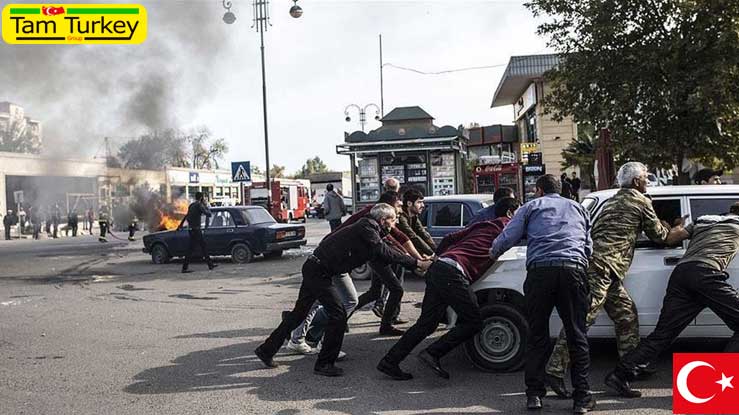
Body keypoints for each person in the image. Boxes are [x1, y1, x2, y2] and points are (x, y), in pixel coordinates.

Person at [544, 162, 689, 398]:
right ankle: (554, 370)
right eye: (645, 178)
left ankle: (629, 369)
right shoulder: (640, 201)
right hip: (602, 269)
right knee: (582, 321)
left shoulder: (612, 201)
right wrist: (682, 230)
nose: (648, 182)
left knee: (627, 315)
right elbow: (662, 237)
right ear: (635, 182)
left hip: (603, 268)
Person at [255, 204, 432, 376]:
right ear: (384, 219)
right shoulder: (367, 227)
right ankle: (325, 363)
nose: (394, 225)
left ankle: (266, 350)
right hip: (319, 272)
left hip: (317, 269)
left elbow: (389, 250)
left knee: (299, 314)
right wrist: (417, 263)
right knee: (338, 314)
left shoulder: (372, 229)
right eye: (393, 221)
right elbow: (383, 250)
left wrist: (414, 262)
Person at [605, 202, 739, 398]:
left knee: (663, 334)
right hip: (706, 275)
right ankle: (722, 384)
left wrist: (678, 224)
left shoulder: (702, 221)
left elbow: (671, 239)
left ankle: (620, 374)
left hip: (682, 274)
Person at [378, 197, 520, 381]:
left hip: (441, 267)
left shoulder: (485, 224)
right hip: (454, 273)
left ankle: (389, 361)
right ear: (510, 213)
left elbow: (449, 238)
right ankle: (433, 353)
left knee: (427, 323)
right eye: (519, 213)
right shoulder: (510, 226)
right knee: (473, 321)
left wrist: (435, 259)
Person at [489, 174, 595, 413]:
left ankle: (534, 395)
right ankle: (582, 398)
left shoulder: (531, 207)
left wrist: (492, 252)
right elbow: (588, 247)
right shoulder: (579, 208)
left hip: (540, 273)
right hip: (573, 271)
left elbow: (508, 237)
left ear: (538, 190)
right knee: (577, 335)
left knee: (537, 335)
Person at [178, 192, 216, 273]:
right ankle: (210, 265)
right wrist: (205, 205)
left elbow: (186, 216)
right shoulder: (199, 205)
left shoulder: (191, 205)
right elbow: (208, 214)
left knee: (192, 249)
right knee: (203, 247)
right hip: (196, 230)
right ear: (201, 197)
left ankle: (209, 265)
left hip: (191, 230)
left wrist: (180, 226)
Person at [397, 189, 436, 258]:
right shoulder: (401, 217)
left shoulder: (414, 216)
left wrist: (437, 251)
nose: (423, 205)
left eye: (422, 202)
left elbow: (423, 233)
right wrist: (432, 253)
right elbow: (412, 236)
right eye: (419, 202)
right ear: (409, 203)